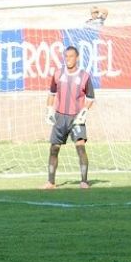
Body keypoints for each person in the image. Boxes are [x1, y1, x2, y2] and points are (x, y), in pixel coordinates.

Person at [44, 46, 95, 189]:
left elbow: (90, 97)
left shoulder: (84, 76)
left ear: (77, 58)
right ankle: (51, 182)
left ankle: (84, 181)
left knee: (80, 148)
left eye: (71, 56)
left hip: (76, 119)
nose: (68, 59)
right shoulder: (58, 74)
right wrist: (49, 110)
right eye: (66, 56)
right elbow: (52, 94)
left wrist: (84, 112)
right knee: (54, 149)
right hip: (60, 117)